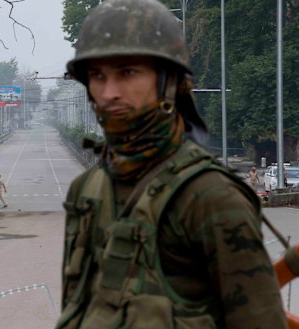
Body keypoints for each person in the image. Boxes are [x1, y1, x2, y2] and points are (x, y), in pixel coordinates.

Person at [56, 1, 288, 328]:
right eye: (97, 76)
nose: (109, 93)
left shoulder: (210, 196)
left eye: (127, 72)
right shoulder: (88, 188)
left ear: (169, 81)